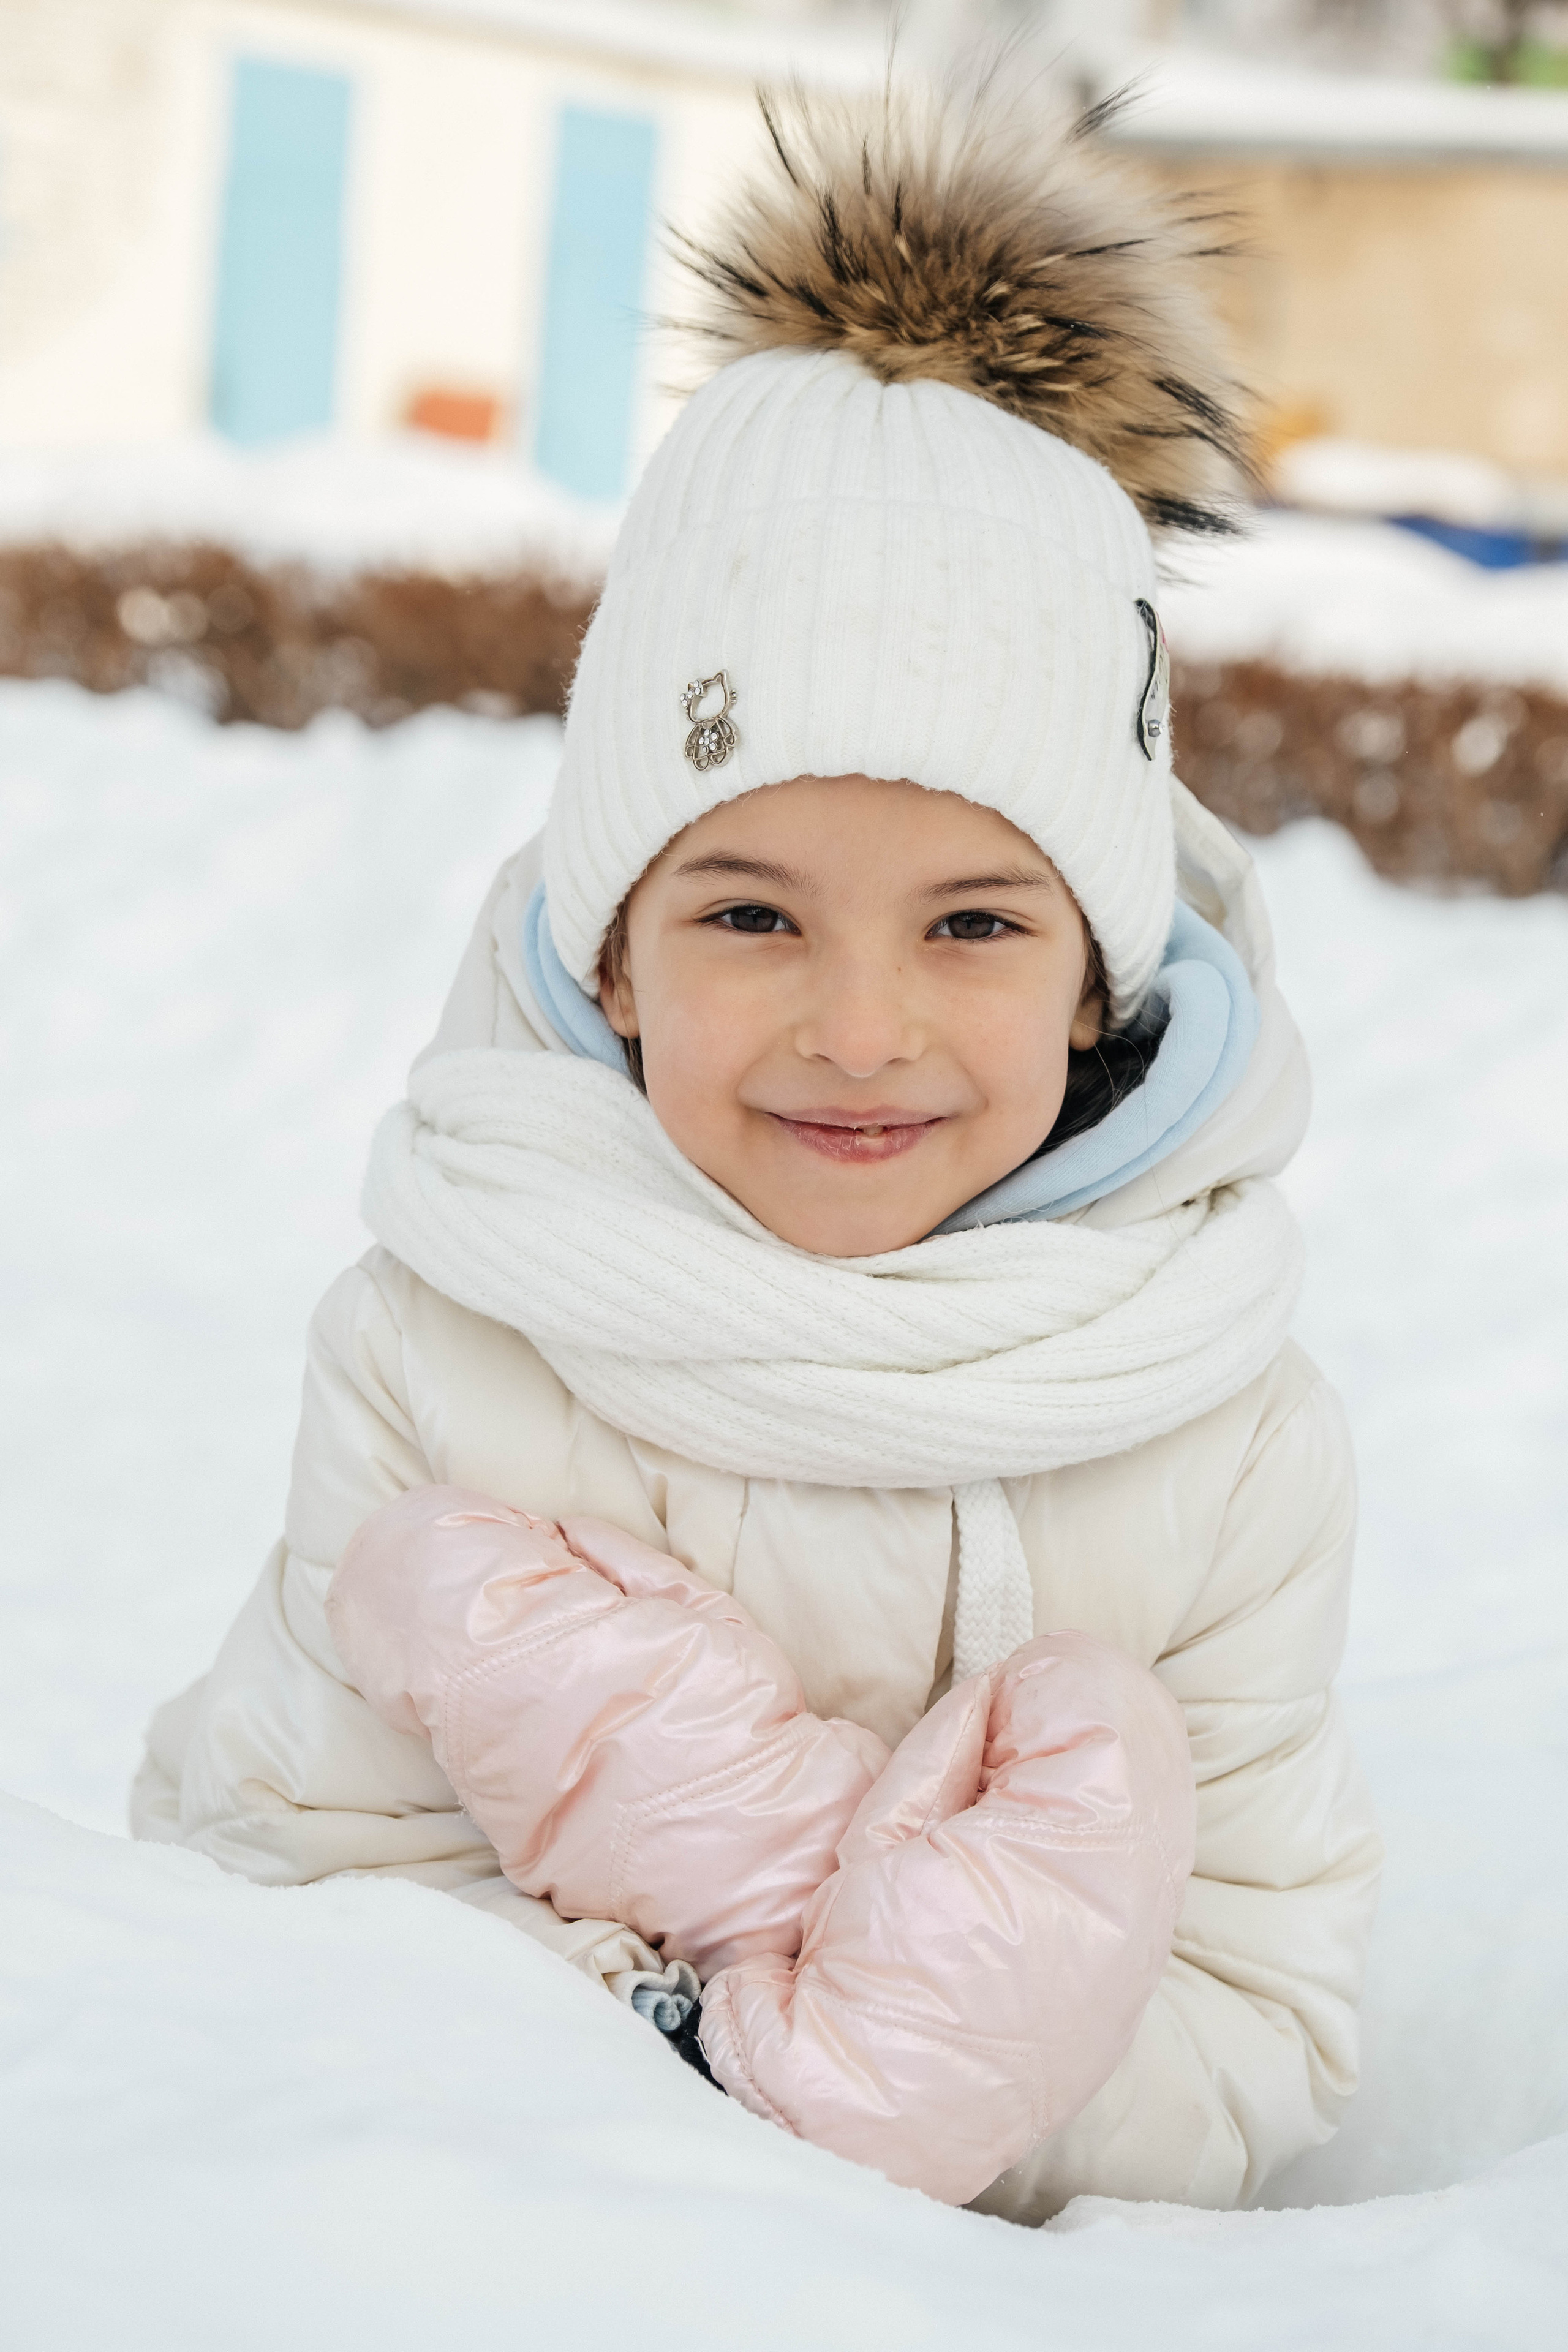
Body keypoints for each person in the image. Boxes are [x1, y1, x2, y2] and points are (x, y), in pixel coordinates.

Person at [132, 85, 1382, 2220]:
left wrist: (946, 2064)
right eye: (748, 914)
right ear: (611, 953)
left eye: (978, 925)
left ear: (1098, 980)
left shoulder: (1222, 1433)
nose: (862, 1028)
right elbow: (287, 1888)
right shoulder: (461, 1336)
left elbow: (1264, 2002)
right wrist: (674, 2044)